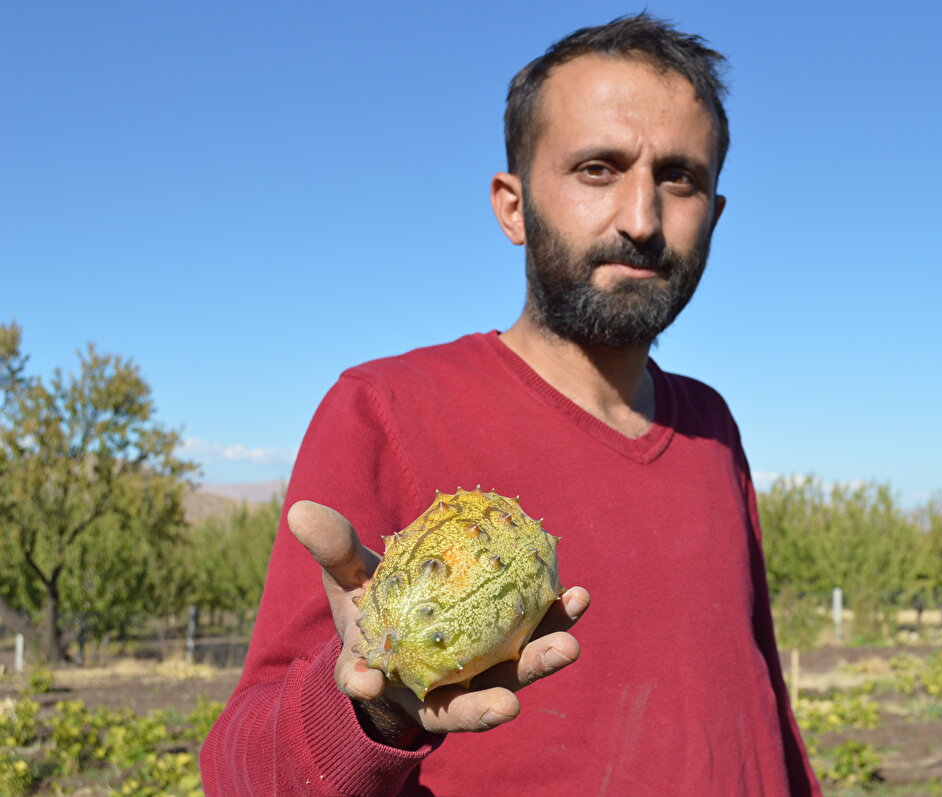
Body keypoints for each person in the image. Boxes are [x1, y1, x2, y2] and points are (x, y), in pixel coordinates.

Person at [200, 13, 821, 796]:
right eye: (598, 168)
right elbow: (239, 774)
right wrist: (373, 710)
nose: (642, 218)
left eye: (679, 177)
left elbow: (758, 696)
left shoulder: (711, 425)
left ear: (717, 216)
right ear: (513, 206)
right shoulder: (381, 408)